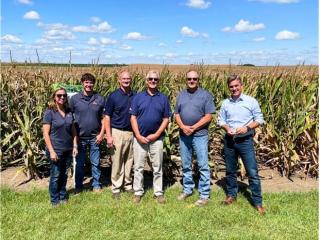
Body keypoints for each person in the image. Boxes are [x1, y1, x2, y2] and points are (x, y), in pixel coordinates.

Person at [218, 75, 265, 214]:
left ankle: (257, 202)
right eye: (231, 86)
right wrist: (227, 128)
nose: (234, 89)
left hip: (245, 141)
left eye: (236, 86)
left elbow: (259, 119)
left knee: (252, 172)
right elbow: (221, 120)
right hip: (230, 141)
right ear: (229, 88)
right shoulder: (225, 103)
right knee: (230, 171)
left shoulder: (251, 101)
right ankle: (231, 195)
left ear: (241, 85)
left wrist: (247, 128)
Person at [174, 70, 215, 207]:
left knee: (203, 165)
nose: (192, 81)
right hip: (184, 135)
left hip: (200, 135)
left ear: (198, 80)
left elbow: (209, 116)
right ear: (186, 80)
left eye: (194, 79)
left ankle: (204, 194)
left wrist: (193, 127)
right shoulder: (181, 95)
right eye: (189, 79)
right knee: (186, 164)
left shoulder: (205, 95)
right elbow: (177, 114)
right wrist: (183, 127)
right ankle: (187, 189)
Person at [130, 70, 171, 204]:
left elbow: (166, 118)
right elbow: (133, 117)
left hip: (157, 139)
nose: (153, 81)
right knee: (138, 167)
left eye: (156, 79)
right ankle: (138, 192)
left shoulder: (163, 98)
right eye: (151, 79)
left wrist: (157, 134)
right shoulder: (138, 97)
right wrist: (138, 135)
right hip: (139, 139)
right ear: (146, 81)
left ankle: (158, 192)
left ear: (159, 81)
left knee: (157, 166)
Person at [69, 73, 105, 193]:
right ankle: (79, 186)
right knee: (79, 164)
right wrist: (74, 137)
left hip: (95, 137)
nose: (88, 85)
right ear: (82, 83)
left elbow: (104, 118)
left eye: (91, 82)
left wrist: (101, 134)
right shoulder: (74, 99)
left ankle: (96, 185)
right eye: (86, 82)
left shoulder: (99, 98)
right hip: (80, 137)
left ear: (94, 84)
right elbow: (70, 118)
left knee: (95, 162)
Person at [43, 87, 78, 206]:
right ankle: (54, 199)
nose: (62, 97)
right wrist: (52, 151)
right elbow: (45, 134)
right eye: (59, 95)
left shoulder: (69, 112)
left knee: (64, 175)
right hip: (55, 150)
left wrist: (75, 146)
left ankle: (63, 196)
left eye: (64, 95)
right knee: (55, 175)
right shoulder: (50, 112)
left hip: (68, 149)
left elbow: (73, 131)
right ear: (54, 97)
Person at [104, 71, 135, 199]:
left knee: (129, 160)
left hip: (131, 132)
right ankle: (116, 187)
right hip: (117, 131)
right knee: (116, 161)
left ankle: (127, 185)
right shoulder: (113, 96)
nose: (126, 80)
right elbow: (107, 117)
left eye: (128, 78)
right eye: (123, 78)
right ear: (119, 80)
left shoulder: (135, 95)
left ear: (131, 80)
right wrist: (109, 136)